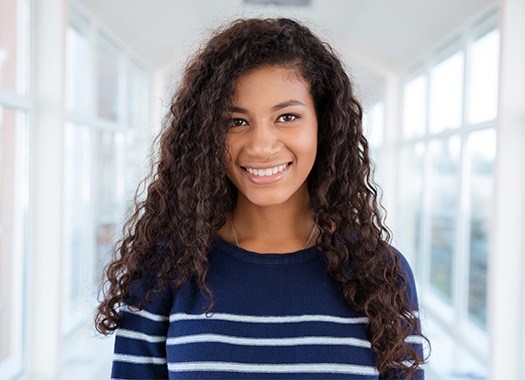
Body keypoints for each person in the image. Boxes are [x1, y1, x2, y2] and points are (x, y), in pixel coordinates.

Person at [96, 17, 428, 379]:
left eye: (287, 117)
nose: (261, 146)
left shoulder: (380, 274)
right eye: (236, 122)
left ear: (325, 125)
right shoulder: (163, 271)